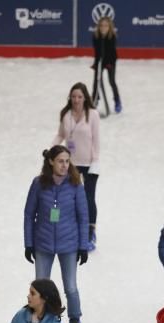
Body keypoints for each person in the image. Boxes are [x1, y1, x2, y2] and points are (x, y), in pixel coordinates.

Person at [24, 145, 89, 323]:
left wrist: (83, 245)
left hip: (69, 244)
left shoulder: (76, 184)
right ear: (51, 161)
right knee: (40, 287)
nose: (64, 165)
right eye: (60, 161)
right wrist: (29, 243)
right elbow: (29, 214)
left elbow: (83, 216)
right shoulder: (39, 184)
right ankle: (40, 322)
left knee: (70, 287)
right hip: (43, 243)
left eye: (67, 161)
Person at [53, 82, 100, 249]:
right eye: (73, 96)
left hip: (89, 162)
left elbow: (96, 139)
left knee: (88, 198)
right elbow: (60, 135)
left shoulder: (93, 114)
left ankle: (90, 231)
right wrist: (52, 150)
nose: (76, 100)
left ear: (85, 98)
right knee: (64, 196)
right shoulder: (66, 115)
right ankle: (64, 228)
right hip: (70, 162)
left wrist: (95, 162)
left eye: (79, 97)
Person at [91, 15, 122, 113]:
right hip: (100, 61)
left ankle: (117, 101)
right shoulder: (96, 37)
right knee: (96, 81)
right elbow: (97, 52)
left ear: (109, 27)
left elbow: (111, 52)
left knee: (111, 81)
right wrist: (96, 64)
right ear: (99, 27)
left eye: (106, 26)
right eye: (102, 26)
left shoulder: (112, 37)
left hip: (111, 61)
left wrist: (109, 63)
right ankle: (95, 100)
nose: (103, 28)